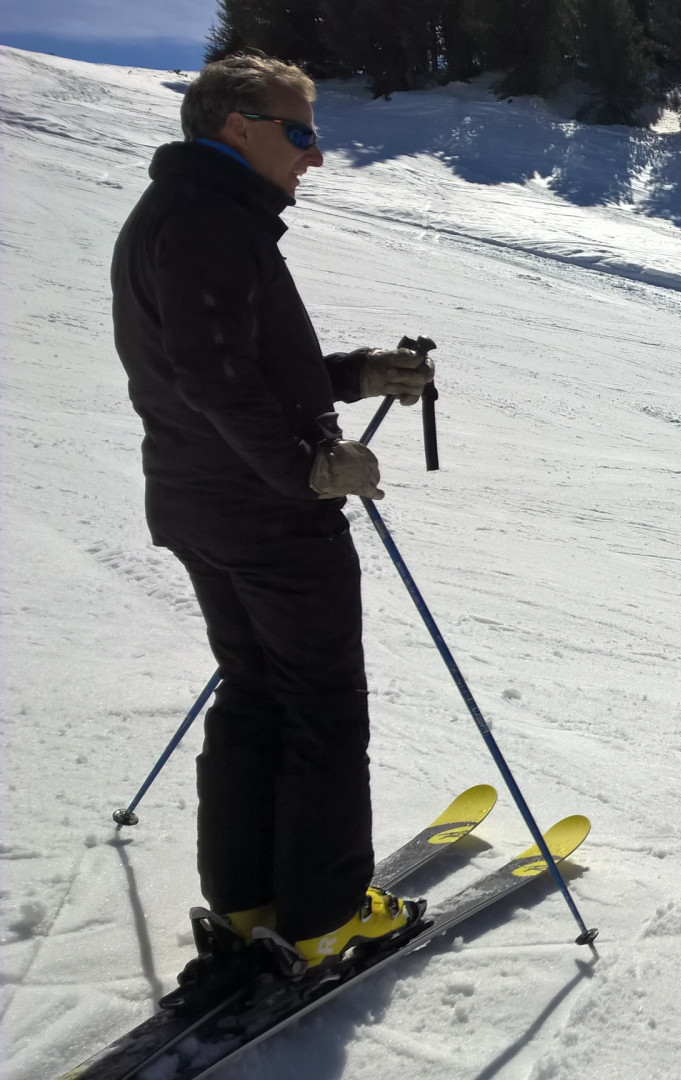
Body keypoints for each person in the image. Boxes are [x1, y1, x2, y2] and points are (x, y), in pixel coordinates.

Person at [112, 52, 436, 979]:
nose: (315, 156)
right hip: (264, 515)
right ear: (237, 127)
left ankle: (250, 896)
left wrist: (359, 371)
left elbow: (238, 365)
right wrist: (309, 469)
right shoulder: (210, 218)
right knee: (323, 706)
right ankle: (327, 916)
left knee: (256, 691)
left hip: (202, 502)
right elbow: (215, 378)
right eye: (299, 133)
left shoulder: (188, 214)